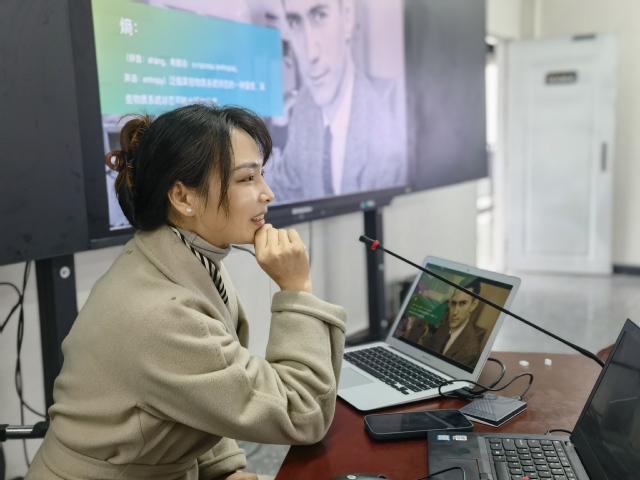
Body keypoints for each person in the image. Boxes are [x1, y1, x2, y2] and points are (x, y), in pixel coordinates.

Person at [26, 104, 347, 480]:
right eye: (247, 179)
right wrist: (297, 289)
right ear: (182, 198)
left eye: (262, 175)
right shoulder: (163, 312)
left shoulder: (178, 255)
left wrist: (222, 470)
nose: (267, 194)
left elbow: (197, 391)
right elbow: (302, 413)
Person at [264, 0, 407, 201]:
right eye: (295, 23)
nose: (311, 54)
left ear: (347, 18)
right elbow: (285, 188)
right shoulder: (305, 104)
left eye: (320, 16)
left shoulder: (386, 128)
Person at [420, 280, 485, 368]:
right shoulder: (446, 325)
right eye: (453, 303)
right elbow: (433, 346)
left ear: (473, 305)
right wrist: (425, 332)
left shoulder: (471, 352)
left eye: (462, 303)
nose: (454, 312)